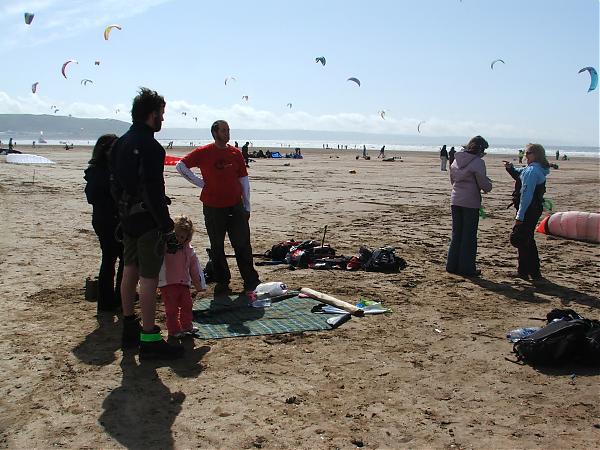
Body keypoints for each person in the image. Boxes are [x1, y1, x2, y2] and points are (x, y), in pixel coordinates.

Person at [110, 87, 184, 360]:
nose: (163, 119)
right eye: (161, 114)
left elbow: (114, 184)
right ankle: (149, 337)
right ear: (152, 114)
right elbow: (152, 189)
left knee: (129, 269)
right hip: (147, 220)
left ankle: (129, 326)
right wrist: (166, 226)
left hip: (127, 217)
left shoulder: (120, 143)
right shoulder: (151, 147)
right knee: (149, 278)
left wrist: (122, 213)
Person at [175, 120, 261, 297]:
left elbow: (244, 180)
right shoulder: (204, 152)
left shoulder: (235, 153)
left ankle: (250, 279)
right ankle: (223, 281)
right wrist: (201, 183)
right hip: (213, 206)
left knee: (242, 243)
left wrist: (247, 205)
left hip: (235, 205)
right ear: (215, 133)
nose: (227, 133)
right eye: (223, 130)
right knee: (217, 245)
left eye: (228, 130)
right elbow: (181, 166)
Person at [84, 134, 123, 313]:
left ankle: (115, 298)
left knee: (117, 259)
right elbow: (92, 197)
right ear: (105, 150)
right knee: (113, 259)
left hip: (108, 219)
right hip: (108, 220)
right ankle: (111, 300)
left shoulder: (106, 169)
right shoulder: (100, 171)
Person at [446, 136, 493, 277]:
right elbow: (484, 184)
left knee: (457, 234)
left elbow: (452, 180)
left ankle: (452, 265)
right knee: (469, 236)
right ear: (480, 149)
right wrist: (489, 184)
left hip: (456, 199)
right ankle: (466, 267)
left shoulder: (456, 160)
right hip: (470, 202)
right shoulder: (478, 162)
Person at [504, 143, 550, 280]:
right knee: (527, 239)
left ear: (536, 155)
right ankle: (528, 271)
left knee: (522, 239)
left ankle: (530, 272)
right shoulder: (534, 169)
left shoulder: (532, 171)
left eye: (528, 153)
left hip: (529, 209)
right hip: (533, 209)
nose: (525, 155)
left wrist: (520, 215)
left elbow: (526, 194)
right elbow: (520, 174)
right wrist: (510, 168)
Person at [158, 216, 206, 338]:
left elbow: (195, 268)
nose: (179, 239)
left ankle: (186, 325)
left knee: (187, 305)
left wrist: (199, 285)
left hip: (184, 283)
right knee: (171, 309)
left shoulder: (189, 250)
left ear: (187, 237)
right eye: (177, 235)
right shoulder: (165, 247)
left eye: (182, 237)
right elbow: (156, 260)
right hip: (168, 283)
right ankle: (173, 330)